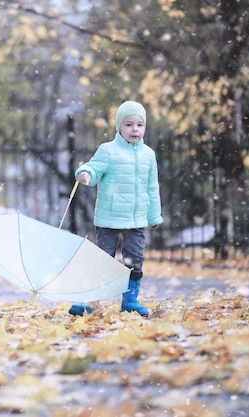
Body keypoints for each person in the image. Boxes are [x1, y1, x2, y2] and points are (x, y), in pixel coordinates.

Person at [69, 100, 163, 317]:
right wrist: (85, 174)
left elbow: (152, 188)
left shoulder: (149, 155)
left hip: (136, 219)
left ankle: (130, 300)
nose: (135, 129)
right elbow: (94, 168)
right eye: (129, 124)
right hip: (108, 219)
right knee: (102, 260)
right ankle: (89, 301)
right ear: (119, 126)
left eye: (140, 125)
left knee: (134, 261)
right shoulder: (108, 151)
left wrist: (154, 215)